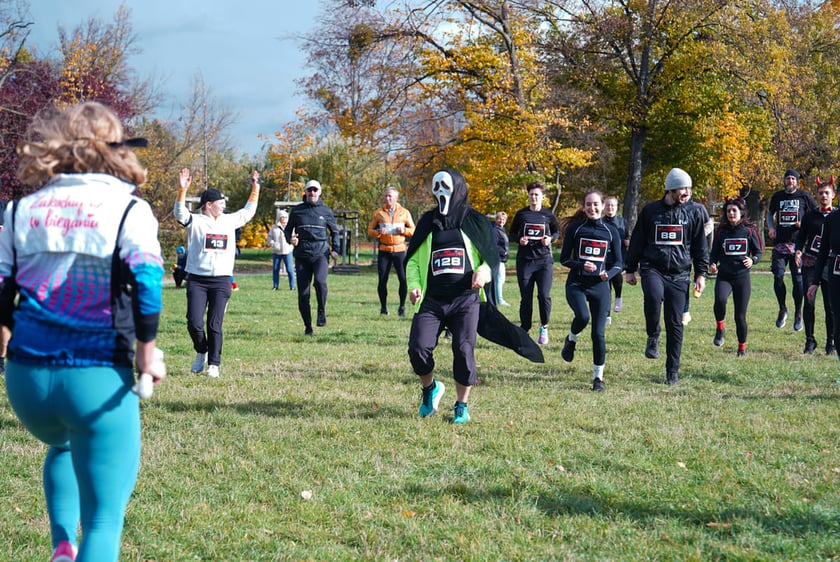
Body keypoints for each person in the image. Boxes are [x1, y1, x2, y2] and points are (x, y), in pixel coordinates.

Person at [0, 101, 165, 562]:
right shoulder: (129, 208)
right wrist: (147, 352)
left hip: (27, 381)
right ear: (114, 147)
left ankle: (60, 546)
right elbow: (149, 281)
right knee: (104, 520)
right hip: (96, 376)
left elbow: (1, 287)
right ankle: (79, 545)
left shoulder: (19, 209)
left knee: (60, 443)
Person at [406, 169, 497, 424]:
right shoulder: (427, 223)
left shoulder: (475, 221)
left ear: (458, 187)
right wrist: (414, 286)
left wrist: (482, 272)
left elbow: (491, 259)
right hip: (432, 301)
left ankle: (461, 405)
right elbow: (412, 261)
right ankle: (430, 389)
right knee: (418, 348)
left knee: (463, 350)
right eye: (436, 186)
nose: (440, 191)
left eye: (445, 185)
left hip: (465, 300)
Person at [624, 168, 709, 385]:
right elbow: (638, 240)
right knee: (653, 297)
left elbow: (700, 245)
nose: (687, 192)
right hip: (653, 268)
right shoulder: (651, 211)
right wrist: (630, 268)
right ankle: (653, 335)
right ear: (670, 189)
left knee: (676, 324)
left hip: (680, 274)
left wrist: (701, 273)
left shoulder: (696, 212)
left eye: (689, 188)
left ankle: (672, 371)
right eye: (683, 188)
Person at [174, 167, 260, 377]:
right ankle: (201, 351)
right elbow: (179, 212)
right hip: (197, 280)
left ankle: (214, 364)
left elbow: (248, 212)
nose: (224, 206)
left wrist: (255, 189)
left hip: (221, 281)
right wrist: (182, 190)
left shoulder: (229, 221)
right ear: (209, 205)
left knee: (214, 324)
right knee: (194, 323)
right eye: (220, 203)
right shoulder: (195, 221)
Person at [558, 190, 623, 391]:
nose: (592, 208)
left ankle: (598, 378)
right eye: (588, 204)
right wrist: (580, 265)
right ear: (583, 207)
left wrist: (608, 274)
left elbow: (620, 263)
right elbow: (563, 259)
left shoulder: (612, 230)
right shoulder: (576, 229)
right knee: (582, 317)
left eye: (596, 204)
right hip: (576, 284)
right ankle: (571, 338)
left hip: (600, 286)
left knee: (598, 334)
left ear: (603, 206)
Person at [708, 197, 763, 357]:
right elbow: (714, 253)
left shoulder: (750, 230)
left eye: (734, 210)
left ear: (741, 212)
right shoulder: (721, 231)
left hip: (742, 278)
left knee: (740, 316)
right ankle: (720, 328)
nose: (731, 213)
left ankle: (742, 347)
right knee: (720, 300)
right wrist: (712, 264)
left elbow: (759, 252)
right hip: (724, 275)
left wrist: (752, 260)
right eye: (728, 211)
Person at [285, 179, 341, 335]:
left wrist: (335, 249)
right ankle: (308, 326)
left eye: (315, 190)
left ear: (320, 192)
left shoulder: (326, 211)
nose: (312, 193)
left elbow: (335, 231)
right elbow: (287, 231)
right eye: (310, 190)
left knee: (320, 282)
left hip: (320, 253)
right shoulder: (297, 211)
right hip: (302, 254)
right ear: (305, 192)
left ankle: (321, 310)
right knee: (303, 293)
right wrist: (291, 239)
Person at [509, 181, 560, 344]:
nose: (534, 197)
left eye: (537, 194)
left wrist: (550, 239)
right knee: (526, 298)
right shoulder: (521, 214)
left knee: (544, 296)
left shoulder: (548, 215)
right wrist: (519, 239)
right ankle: (525, 329)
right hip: (525, 261)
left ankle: (544, 327)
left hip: (544, 261)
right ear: (528, 196)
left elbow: (557, 232)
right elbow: (511, 233)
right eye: (531, 194)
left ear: (542, 197)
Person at [767, 169, 817, 331]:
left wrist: (804, 224)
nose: (790, 181)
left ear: (797, 181)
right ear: (784, 181)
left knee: (798, 280)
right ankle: (782, 309)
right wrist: (771, 227)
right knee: (778, 276)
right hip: (780, 243)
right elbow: (770, 214)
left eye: (793, 179)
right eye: (787, 179)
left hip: (798, 244)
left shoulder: (804, 196)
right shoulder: (777, 196)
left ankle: (798, 313)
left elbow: (815, 215)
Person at [795, 176, 835, 354]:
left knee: (830, 306)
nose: (823, 196)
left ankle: (831, 342)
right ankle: (810, 341)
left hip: (830, 264)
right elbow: (801, 238)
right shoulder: (810, 216)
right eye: (820, 193)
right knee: (809, 302)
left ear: (833, 195)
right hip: (811, 262)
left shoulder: (836, 217)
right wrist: (797, 251)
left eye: (826, 193)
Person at [367, 186, 416, 316]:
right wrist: (378, 232)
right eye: (386, 196)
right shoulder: (378, 213)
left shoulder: (404, 212)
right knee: (382, 280)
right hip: (384, 250)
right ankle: (383, 308)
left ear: (396, 198)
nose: (387, 198)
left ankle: (401, 307)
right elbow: (369, 230)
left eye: (390, 196)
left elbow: (413, 229)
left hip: (400, 250)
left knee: (403, 279)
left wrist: (404, 231)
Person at [681, 186, 715, 325]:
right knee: (683, 279)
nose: (686, 192)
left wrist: (697, 236)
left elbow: (709, 225)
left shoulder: (698, 208)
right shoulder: (673, 207)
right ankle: (684, 311)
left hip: (695, 246)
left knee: (697, 272)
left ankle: (697, 286)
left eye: (688, 189)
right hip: (680, 250)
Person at [602, 196, 629, 323]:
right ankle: (607, 315)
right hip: (604, 258)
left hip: (618, 258)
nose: (610, 208)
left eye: (613, 205)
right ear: (604, 207)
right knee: (605, 286)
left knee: (617, 279)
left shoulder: (622, 221)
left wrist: (627, 242)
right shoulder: (601, 222)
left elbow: (628, 236)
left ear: (617, 207)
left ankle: (619, 297)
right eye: (608, 205)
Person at [267, 209, 296, 291]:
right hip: (276, 251)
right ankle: (275, 286)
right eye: (282, 217)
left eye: (285, 217)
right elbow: (269, 238)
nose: (283, 219)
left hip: (287, 251)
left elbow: (294, 237)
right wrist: (273, 244)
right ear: (279, 218)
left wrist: (291, 245)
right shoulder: (274, 227)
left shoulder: (290, 227)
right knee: (275, 269)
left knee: (290, 269)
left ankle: (292, 286)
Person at [491, 211, 511, 306]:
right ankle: (499, 300)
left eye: (503, 219)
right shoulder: (495, 230)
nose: (501, 221)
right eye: (499, 219)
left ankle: (498, 298)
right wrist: (503, 252)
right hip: (498, 258)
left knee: (501, 279)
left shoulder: (501, 229)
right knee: (499, 280)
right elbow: (493, 244)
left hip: (502, 259)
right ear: (495, 219)